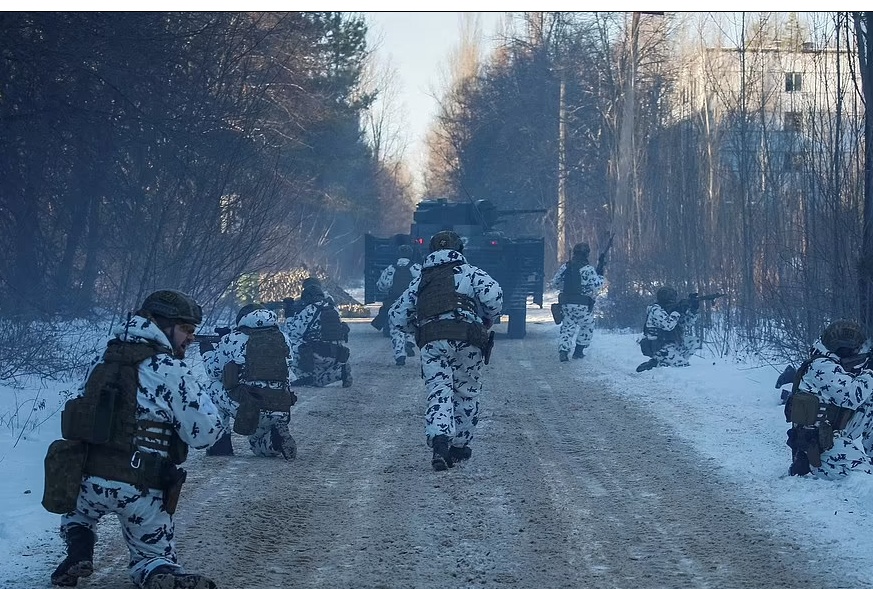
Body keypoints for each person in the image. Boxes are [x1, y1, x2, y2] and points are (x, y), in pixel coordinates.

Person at [45, 289, 225, 589]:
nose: (191, 337)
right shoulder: (169, 369)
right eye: (186, 329)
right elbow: (204, 435)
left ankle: (78, 550)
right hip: (140, 488)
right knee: (152, 556)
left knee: (78, 516)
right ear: (162, 324)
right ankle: (160, 574)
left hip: (86, 482)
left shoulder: (101, 360)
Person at [389, 230, 503, 471]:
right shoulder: (471, 273)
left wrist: (419, 327)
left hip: (432, 341)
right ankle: (460, 447)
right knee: (466, 392)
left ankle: (440, 443)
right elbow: (493, 297)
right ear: (459, 249)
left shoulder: (421, 278)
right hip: (467, 339)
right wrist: (489, 318)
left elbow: (396, 316)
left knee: (438, 391)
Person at [202, 303, 298, 459]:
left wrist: (207, 351)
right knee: (258, 445)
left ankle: (220, 445)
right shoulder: (283, 338)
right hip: (280, 406)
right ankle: (276, 440)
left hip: (248, 407)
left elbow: (213, 372)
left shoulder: (232, 339)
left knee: (212, 387)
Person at [785, 320, 873, 478]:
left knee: (871, 401)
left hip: (833, 433)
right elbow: (853, 395)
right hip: (820, 444)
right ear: (844, 349)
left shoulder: (833, 363)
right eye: (857, 348)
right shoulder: (821, 367)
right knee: (865, 476)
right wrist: (871, 370)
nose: (860, 351)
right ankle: (810, 464)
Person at [285, 282, 352, 387]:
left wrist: (289, 316)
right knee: (317, 381)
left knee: (289, 344)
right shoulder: (332, 308)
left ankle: (303, 375)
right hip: (336, 354)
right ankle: (341, 371)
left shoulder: (310, 309)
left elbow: (291, 333)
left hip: (317, 355)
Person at [549, 242, 605, 362]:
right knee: (587, 325)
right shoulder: (588, 269)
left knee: (567, 327)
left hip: (566, 304)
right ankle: (578, 351)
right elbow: (597, 286)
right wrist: (600, 275)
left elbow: (554, 283)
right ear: (586, 254)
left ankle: (563, 351)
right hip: (582, 304)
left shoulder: (566, 266)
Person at [636, 286, 701, 372]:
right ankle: (660, 360)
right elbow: (668, 325)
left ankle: (663, 362)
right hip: (660, 347)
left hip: (675, 344)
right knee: (683, 366)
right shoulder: (655, 310)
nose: (672, 298)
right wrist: (677, 311)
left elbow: (686, 323)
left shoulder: (671, 310)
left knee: (694, 341)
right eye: (670, 296)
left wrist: (693, 310)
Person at [376, 244, 422, 366]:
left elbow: (381, 286)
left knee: (396, 329)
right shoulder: (417, 268)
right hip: (412, 303)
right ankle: (410, 340)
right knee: (412, 324)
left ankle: (399, 355)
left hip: (394, 303)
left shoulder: (390, 269)